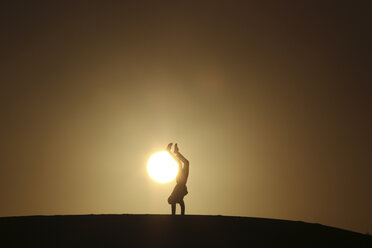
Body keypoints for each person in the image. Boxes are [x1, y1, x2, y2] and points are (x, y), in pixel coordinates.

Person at [166, 143, 189, 215]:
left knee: (181, 163)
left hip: (180, 181)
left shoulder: (175, 196)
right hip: (182, 182)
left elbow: (177, 205)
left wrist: (174, 215)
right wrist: (182, 215)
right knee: (185, 163)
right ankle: (175, 152)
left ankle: (170, 152)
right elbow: (182, 205)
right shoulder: (178, 199)